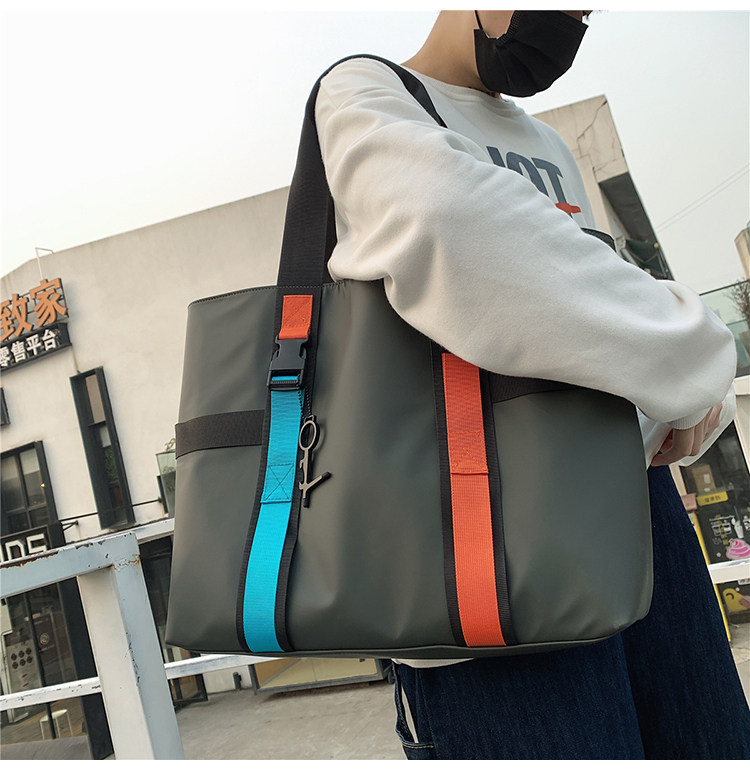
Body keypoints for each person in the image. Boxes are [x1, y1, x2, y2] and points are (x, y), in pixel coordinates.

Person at [313, 10, 750, 760]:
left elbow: (581, 303)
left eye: (584, 11)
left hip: (629, 498)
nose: (570, 20)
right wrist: (693, 356)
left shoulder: (546, 143)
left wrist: (674, 394)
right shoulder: (365, 91)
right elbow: (448, 223)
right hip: (475, 523)